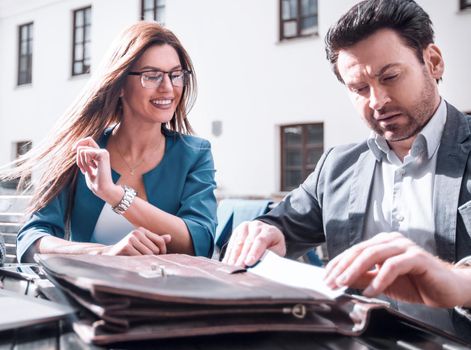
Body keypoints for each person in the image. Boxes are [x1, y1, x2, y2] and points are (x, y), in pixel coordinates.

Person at [223, 0, 471, 331]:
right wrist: (267, 231)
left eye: (391, 76)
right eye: (358, 88)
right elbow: (282, 225)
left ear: (433, 62)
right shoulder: (337, 167)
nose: (377, 100)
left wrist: (458, 282)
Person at [1, 22, 217, 262]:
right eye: (152, 76)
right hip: (85, 295)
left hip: (163, 296)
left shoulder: (196, 154)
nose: (168, 87)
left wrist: (114, 194)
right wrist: (104, 253)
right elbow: (31, 239)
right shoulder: (80, 148)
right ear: (121, 85)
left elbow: (200, 242)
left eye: (176, 75)